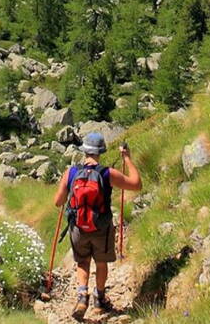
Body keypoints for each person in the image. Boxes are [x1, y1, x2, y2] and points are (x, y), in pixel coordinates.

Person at [53, 132, 142, 321]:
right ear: (101, 151)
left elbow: (58, 201)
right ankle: (99, 299)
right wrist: (127, 159)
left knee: (82, 262)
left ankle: (82, 295)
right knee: (101, 263)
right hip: (101, 226)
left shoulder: (71, 173)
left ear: (84, 150)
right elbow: (136, 184)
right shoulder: (107, 173)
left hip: (78, 227)